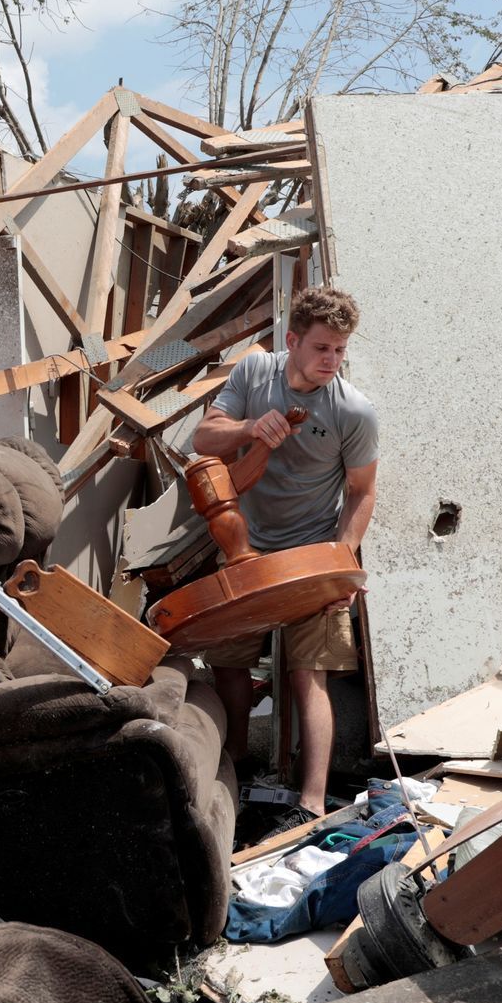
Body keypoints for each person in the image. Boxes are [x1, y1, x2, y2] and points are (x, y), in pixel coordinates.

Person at [187, 285, 378, 830]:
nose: (331, 360)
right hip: (244, 547)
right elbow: (204, 438)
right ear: (291, 341)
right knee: (228, 664)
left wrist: (341, 563)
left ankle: (311, 804)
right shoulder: (254, 374)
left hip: (312, 552)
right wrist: (249, 427)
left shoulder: (353, 411)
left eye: (340, 350)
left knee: (308, 675)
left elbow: (362, 492)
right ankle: (235, 768)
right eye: (321, 348)